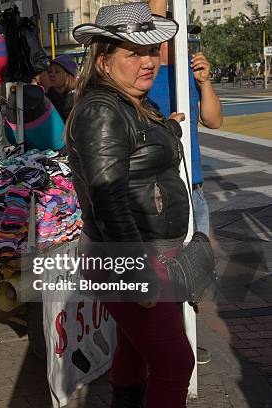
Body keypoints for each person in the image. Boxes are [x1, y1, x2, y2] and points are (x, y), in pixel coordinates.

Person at [68, 3, 194, 407]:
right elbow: (109, 199)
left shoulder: (131, 103)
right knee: (175, 364)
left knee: (135, 349)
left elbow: (135, 148)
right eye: (133, 53)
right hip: (131, 255)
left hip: (146, 251)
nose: (148, 61)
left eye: (152, 50)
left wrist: (168, 127)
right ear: (104, 61)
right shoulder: (103, 110)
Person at [147, 1, 223, 368]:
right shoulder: (140, 71)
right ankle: (170, 346)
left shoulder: (187, 67)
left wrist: (205, 82)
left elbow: (213, 120)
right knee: (163, 273)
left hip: (192, 187)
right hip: (158, 190)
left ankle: (186, 336)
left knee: (195, 268)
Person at [46, 54, 78, 121]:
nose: (51, 74)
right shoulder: (49, 95)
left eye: (57, 71)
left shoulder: (76, 97)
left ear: (68, 75)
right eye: (50, 71)